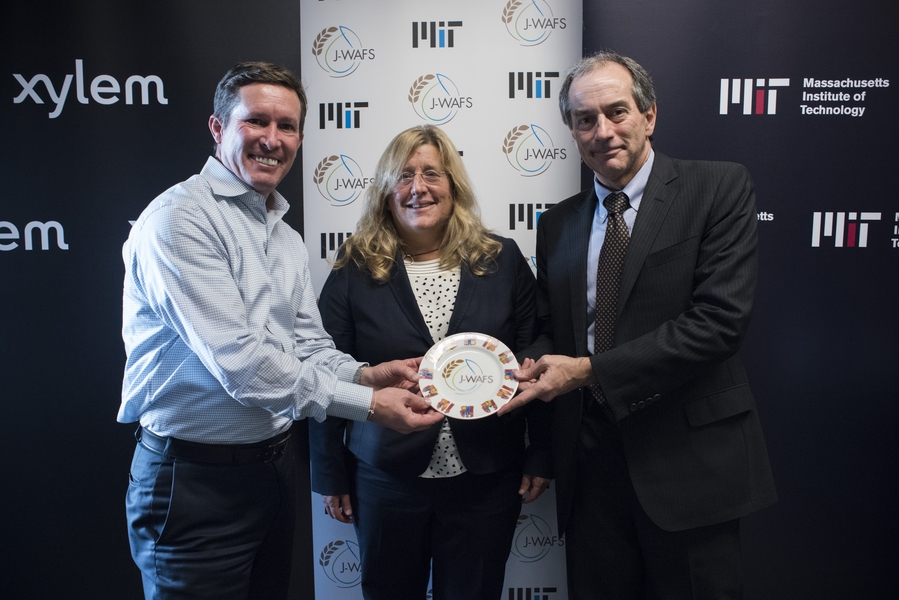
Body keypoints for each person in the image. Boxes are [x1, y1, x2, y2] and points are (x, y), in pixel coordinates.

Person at [119, 62, 443, 600]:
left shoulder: (283, 233)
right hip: (193, 480)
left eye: (288, 126)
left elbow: (308, 346)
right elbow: (244, 367)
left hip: (268, 474)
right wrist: (367, 405)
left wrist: (365, 374)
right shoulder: (181, 220)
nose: (273, 140)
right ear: (218, 129)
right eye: (257, 122)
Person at [498, 51, 777, 599]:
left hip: (690, 465)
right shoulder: (557, 224)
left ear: (649, 115)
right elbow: (553, 329)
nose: (602, 131)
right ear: (572, 132)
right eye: (584, 119)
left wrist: (585, 371)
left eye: (616, 112)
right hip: (590, 468)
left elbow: (719, 322)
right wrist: (526, 367)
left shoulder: (717, 189)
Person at [308, 125, 553, 600]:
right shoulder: (355, 265)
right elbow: (324, 365)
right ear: (384, 191)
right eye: (403, 176)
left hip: (485, 474)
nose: (418, 187)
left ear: (452, 185)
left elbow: (535, 350)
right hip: (384, 475)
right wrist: (329, 472)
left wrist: (541, 452)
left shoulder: (501, 258)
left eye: (431, 174)